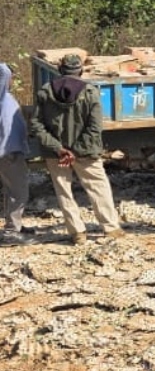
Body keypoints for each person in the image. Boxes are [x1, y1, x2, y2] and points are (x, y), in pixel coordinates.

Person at [30, 54, 123, 244]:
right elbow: (95, 127)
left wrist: (60, 149)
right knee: (98, 187)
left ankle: (77, 233)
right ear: (80, 70)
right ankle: (111, 228)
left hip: (56, 154)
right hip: (86, 152)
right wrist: (76, 150)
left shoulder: (45, 92)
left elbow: (36, 125)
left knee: (63, 190)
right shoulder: (90, 92)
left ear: (60, 70)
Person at [0, 63, 34, 246]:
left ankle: (15, 225)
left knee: (12, 190)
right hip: (8, 151)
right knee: (18, 191)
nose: (12, 79)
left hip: (9, 149)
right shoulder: (1, 94)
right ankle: (11, 231)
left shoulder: (5, 96)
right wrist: (5, 66)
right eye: (11, 77)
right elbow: (3, 71)